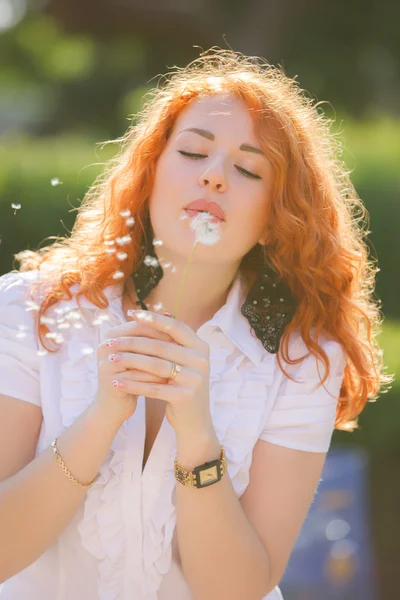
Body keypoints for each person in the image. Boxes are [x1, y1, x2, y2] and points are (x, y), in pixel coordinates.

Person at [0, 48, 390, 600]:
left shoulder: (302, 360)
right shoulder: (31, 311)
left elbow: (237, 590)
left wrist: (199, 437)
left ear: (277, 218)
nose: (213, 177)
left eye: (248, 169)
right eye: (192, 152)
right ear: (150, 174)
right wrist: (102, 418)